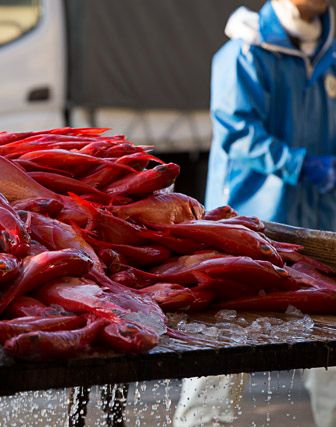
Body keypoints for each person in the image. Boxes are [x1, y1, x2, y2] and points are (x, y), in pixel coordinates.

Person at [174, 0, 336, 426]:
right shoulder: (245, 49)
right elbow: (237, 132)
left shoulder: (332, 52)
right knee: (220, 358)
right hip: (246, 235)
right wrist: (301, 165)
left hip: (324, 232)